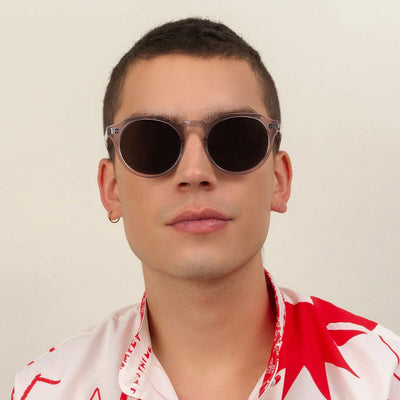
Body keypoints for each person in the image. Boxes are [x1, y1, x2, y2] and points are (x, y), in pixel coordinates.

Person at [12, 17, 399, 400]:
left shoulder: (383, 378)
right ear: (111, 189)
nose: (195, 172)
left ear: (279, 181)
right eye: (153, 143)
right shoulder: (48, 390)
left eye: (235, 138)